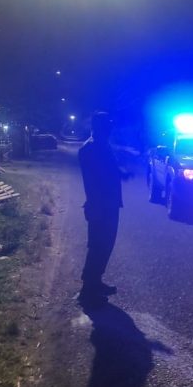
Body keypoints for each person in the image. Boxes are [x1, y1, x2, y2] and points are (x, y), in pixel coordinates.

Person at [78, 112, 127, 304]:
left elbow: (109, 170)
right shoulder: (91, 148)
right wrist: (95, 205)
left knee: (106, 245)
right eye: (107, 125)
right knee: (98, 245)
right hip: (100, 205)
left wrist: (121, 173)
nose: (110, 128)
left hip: (109, 203)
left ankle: (95, 282)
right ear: (99, 127)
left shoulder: (102, 145)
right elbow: (94, 180)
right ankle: (88, 291)